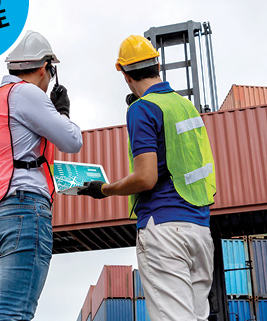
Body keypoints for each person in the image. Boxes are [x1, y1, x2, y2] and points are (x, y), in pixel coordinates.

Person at [79, 35, 216, 321]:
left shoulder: (141, 110)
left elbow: (145, 178)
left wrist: (104, 189)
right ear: (158, 65)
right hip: (201, 230)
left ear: (125, 75)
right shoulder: (185, 106)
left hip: (165, 229)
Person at [0, 30, 83, 321]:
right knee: (15, 315)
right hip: (24, 211)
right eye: (51, 72)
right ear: (43, 68)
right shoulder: (27, 93)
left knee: (7, 314)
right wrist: (61, 111)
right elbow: (72, 141)